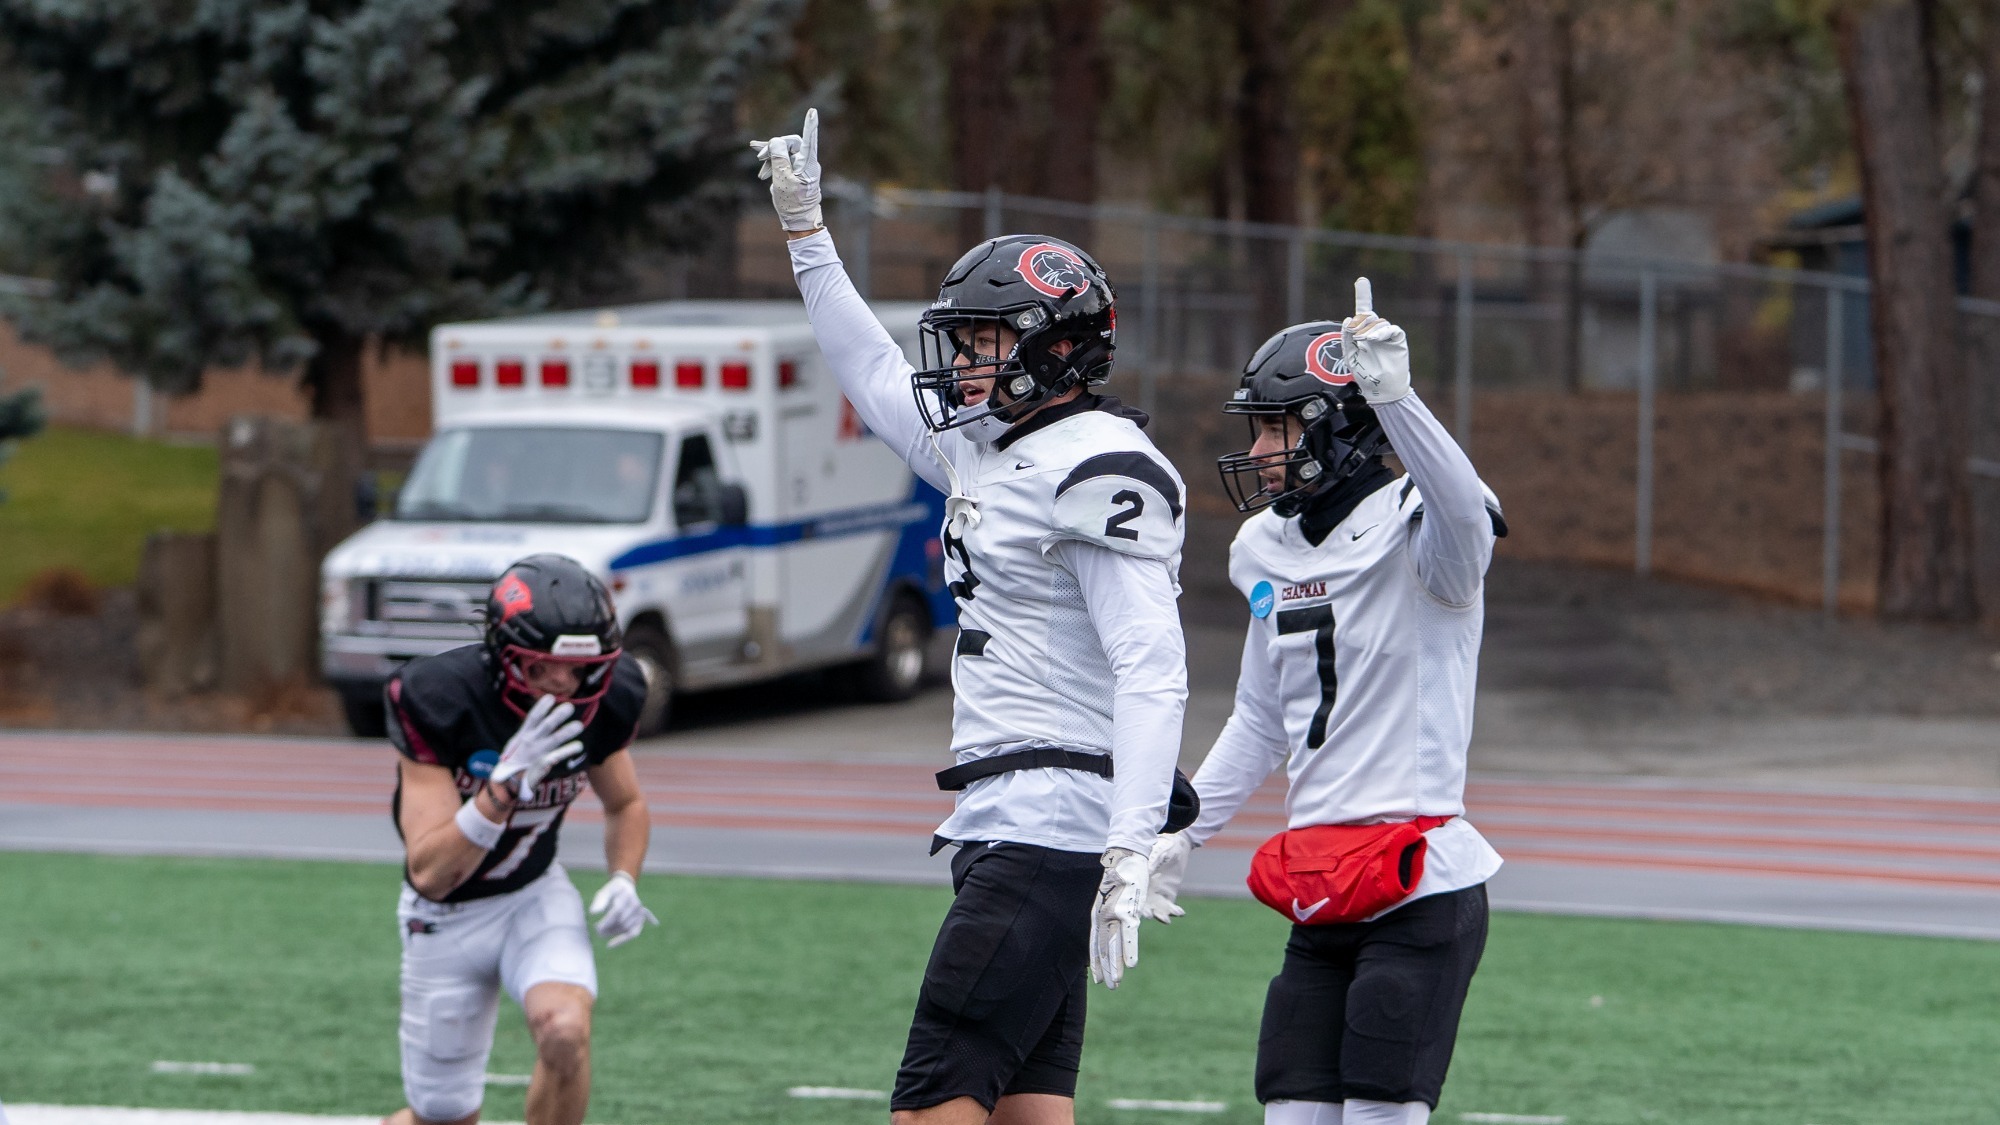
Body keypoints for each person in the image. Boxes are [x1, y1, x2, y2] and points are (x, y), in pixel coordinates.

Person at [753, 110, 1192, 1125]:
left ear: (1058, 347)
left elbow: (1151, 665)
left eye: (985, 340)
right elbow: (869, 372)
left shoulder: (1097, 466)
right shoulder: (985, 446)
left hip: (1050, 825)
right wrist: (806, 230)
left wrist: (1132, 839)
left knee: (930, 1108)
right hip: (1014, 822)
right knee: (1026, 1111)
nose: (962, 362)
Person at [1145, 285, 1507, 1125]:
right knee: (1290, 1112)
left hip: (1417, 881)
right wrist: (1182, 833)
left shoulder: (1421, 528)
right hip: (1322, 883)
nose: (1259, 450)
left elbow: (1462, 506)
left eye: (1279, 426)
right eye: (1258, 428)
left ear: (1342, 426)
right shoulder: (1263, 545)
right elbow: (1260, 716)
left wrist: (1399, 399)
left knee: (1380, 1115)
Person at [383, 553, 659, 1125]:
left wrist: (624, 878)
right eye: (542, 667)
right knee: (443, 1117)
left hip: (533, 895)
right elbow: (431, 872)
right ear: (503, 655)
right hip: (447, 915)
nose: (562, 683)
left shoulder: (607, 697)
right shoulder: (442, 696)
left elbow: (626, 804)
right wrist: (499, 793)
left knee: (565, 1031)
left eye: (578, 669)